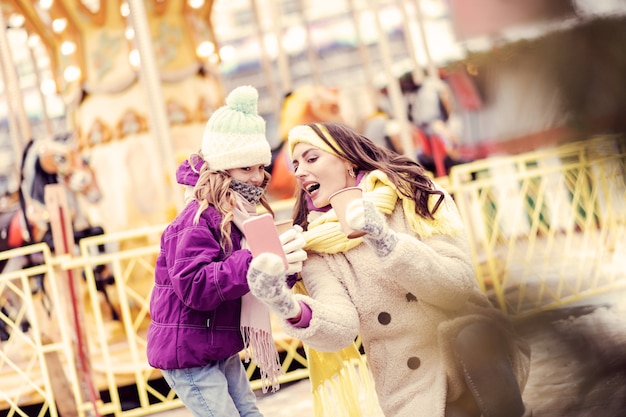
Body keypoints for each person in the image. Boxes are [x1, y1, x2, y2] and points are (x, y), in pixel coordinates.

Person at [245, 122, 532, 417]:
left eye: (311, 158)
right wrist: (284, 303)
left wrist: (385, 241)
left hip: (469, 349)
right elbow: (341, 329)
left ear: (346, 159)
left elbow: (457, 286)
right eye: (295, 164)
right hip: (409, 381)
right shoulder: (315, 245)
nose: (299, 171)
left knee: (473, 337)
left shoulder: (415, 195)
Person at [146, 85, 307, 417]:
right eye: (246, 169)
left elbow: (253, 281)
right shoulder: (195, 220)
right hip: (189, 353)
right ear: (222, 169)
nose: (258, 177)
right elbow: (195, 286)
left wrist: (282, 267)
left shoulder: (239, 216)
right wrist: (256, 260)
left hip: (216, 343)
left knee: (249, 412)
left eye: (261, 168)